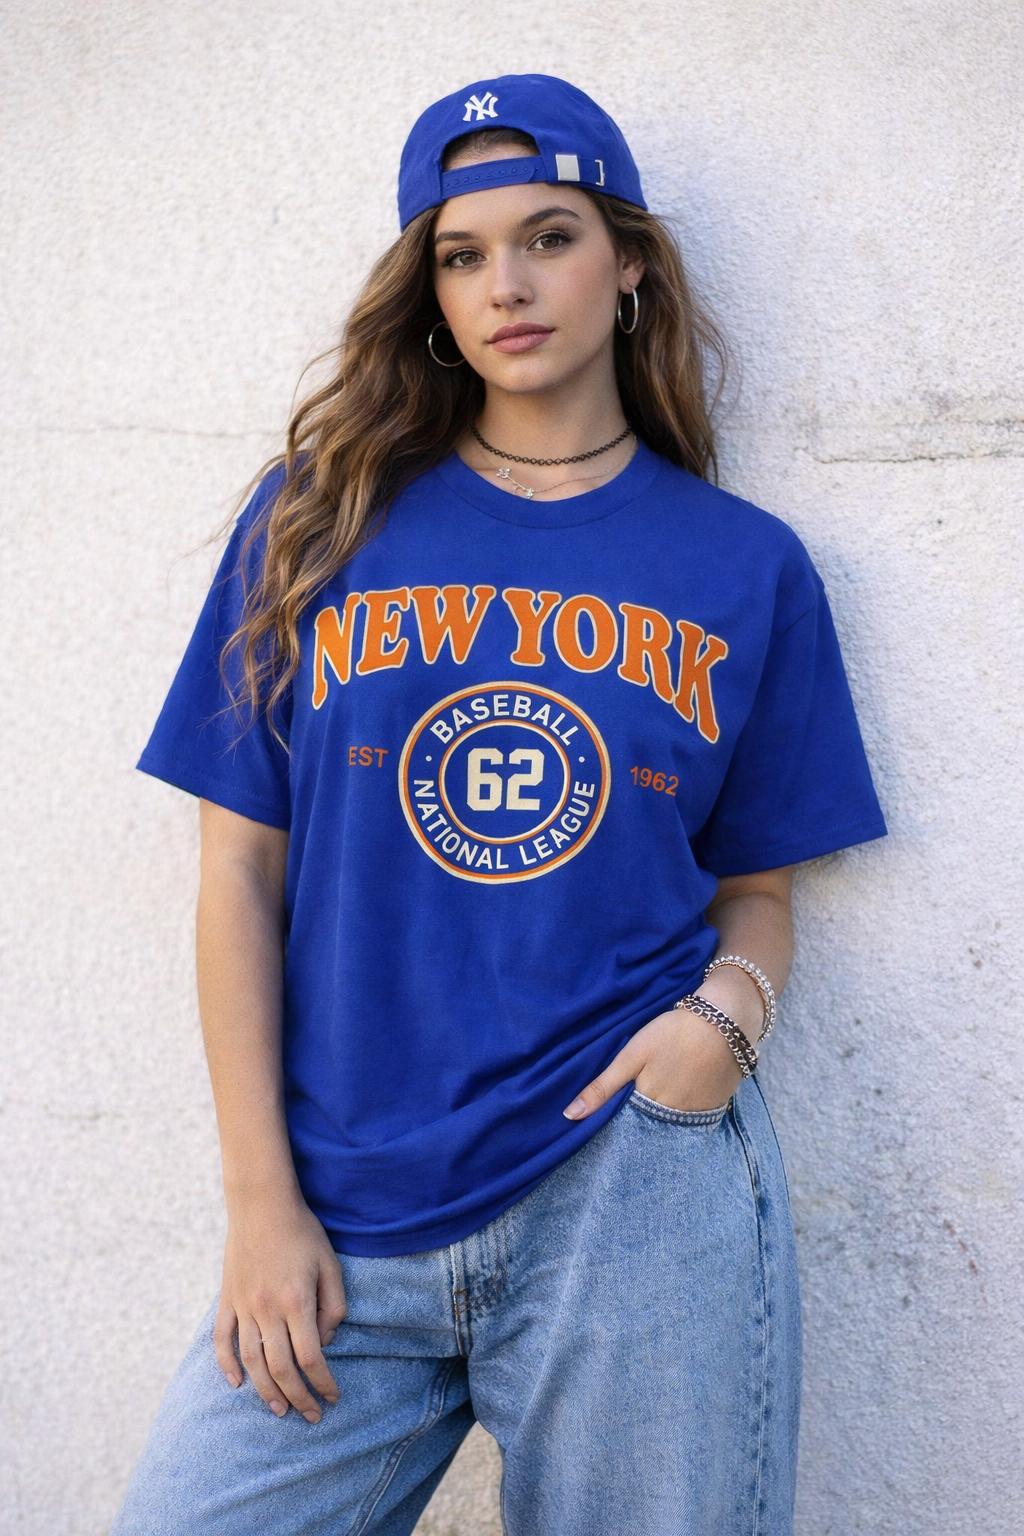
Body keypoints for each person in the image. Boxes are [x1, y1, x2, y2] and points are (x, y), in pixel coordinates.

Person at [113, 73, 887, 1536]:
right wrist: (259, 1204)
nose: (507, 285)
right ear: (428, 292)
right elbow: (236, 878)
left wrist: (713, 1037)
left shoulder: (744, 565)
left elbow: (763, 894)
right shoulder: (319, 518)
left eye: (550, 237)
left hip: (632, 1189)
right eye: (462, 256)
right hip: (347, 1197)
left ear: (632, 267)